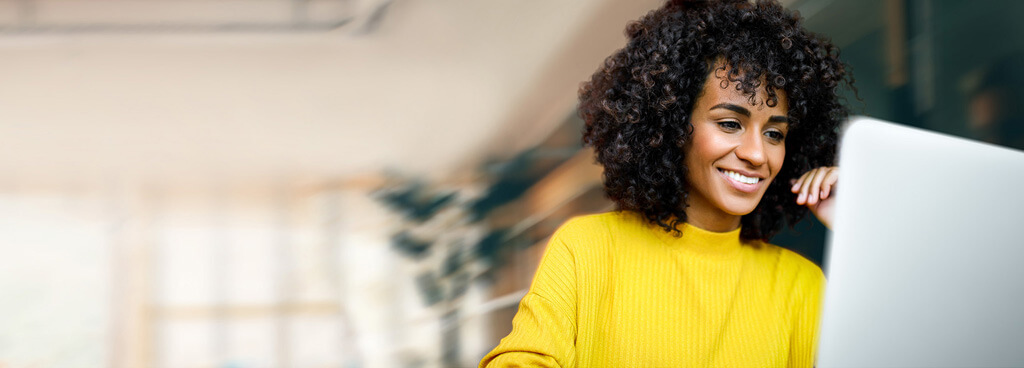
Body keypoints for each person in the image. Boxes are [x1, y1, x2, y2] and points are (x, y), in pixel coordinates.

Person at [480, 0, 851, 366]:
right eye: (729, 124)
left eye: (774, 133)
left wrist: (858, 230)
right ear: (673, 125)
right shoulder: (586, 250)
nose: (757, 154)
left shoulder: (801, 285)